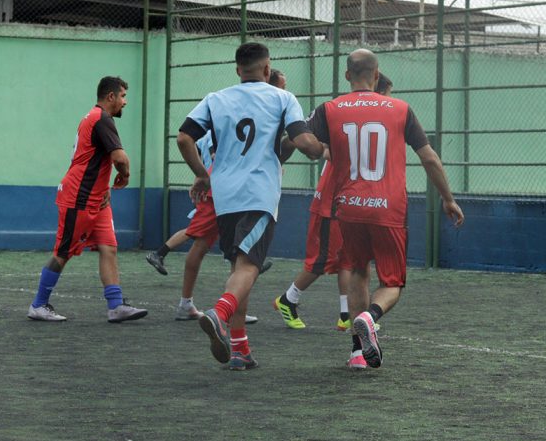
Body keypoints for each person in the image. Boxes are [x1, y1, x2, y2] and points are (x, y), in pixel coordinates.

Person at [307, 50, 464, 369]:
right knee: (392, 283)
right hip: (388, 208)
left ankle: (356, 354)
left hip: (348, 206)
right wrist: (448, 198)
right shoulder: (400, 110)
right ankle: (370, 317)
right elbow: (429, 158)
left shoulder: (330, 109)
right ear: (377, 75)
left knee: (357, 272)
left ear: (347, 75)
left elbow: (304, 143)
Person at [177, 42, 324, 370]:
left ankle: (240, 347)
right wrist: (323, 149)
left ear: (237, 70)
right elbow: (303, 142)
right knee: (248, 268)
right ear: (267, 69)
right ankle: (220, 312)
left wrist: (202, 175)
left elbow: (184, 138)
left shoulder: (216, 99)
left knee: (238, 269)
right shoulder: (282, 98)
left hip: (225, 198)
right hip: (258, 195)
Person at [274, 72, 395, 332]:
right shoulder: (345, 115)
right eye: (386, 95)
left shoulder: (365, 120)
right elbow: (307, 141)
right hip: (330, 201)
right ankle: (288, 298)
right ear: (376, 92)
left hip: (348, 202)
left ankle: (346, 314)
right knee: (320, 262)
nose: (388, 101)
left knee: (348, 260)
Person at [27, 76, 148, 323]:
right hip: (79, 198)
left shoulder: (95, 117)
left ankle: (116, 306)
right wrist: (124, 176)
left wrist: (106, 187)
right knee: (63, 252)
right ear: (111, 96)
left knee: (109, 247)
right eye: (123, 96)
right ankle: (38, 305)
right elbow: (120, 159)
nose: (125, 102)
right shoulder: (102, 119)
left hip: (98, 199)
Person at [145, 132, 264, 324]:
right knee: (213, 239)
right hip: (221, 190)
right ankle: (160, 253)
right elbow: (216, 155)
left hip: (220, 188)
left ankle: (187, 303)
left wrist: (199, 176)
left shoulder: (212, 127)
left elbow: (198, 150)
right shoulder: (224, 127)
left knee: (201, 244)